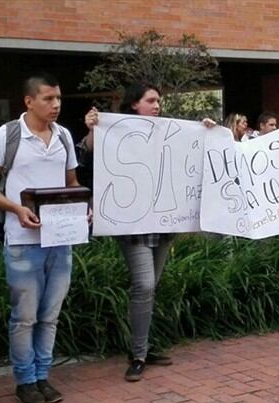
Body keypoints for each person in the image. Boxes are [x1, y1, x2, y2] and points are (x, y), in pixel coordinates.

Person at [83, 83, 216, 382]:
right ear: (134, 104)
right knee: (144, 285)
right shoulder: (117, 131)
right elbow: (90, 151)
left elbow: (198, 154)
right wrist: (93, 128)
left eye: (159, 101)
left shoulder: (169, 132)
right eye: (150, 100)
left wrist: (208, 130)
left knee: (150, 287)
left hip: (161, 226)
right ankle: (139, 354)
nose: (157, 105)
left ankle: (141, 347)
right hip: (133, 228)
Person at [0, 73, 82, 403]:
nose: (56, 105)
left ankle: (42, 375)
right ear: (29, 101)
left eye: (59, 99)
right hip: (23, 239)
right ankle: (25, 380)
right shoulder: (6, 135)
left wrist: (82, 210)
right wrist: (17, 209)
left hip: (59, 237)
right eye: (48, 99)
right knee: (25, 315)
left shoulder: (64, 136)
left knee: (50, 314)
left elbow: (71, 184)